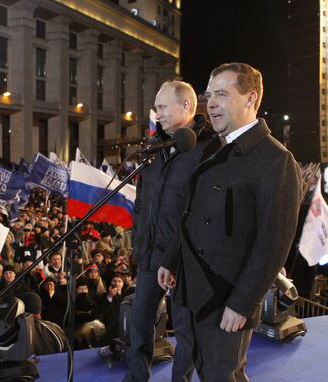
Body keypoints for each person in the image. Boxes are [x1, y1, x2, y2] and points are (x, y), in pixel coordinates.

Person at [158, 63, 303, 381]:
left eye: (221, 95)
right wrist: (171, 259)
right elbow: (189, 214)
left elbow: (274, 242)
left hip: (226, 299)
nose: (210, 103)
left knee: (223, 375)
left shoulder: (277, 161)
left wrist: (244, 303)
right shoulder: (212, 151)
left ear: (250, 99)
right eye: (209, 95)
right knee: (192, 367)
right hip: (190, 288)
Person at [124, 80, 215, 382]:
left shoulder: (206, 150)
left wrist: (174, 257)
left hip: (184, 261)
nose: (157, 114)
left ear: (186, 106)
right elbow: (141, 203)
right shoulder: (154, 149)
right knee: (139, 323)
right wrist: (139, 244)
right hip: (150, 255)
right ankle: (136, 377)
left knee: (186, 332)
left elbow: (200, 212)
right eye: (156, 107)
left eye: (162, 107)